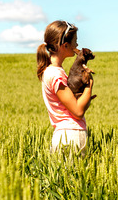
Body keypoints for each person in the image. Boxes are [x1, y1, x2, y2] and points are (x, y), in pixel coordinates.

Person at [36, 20, 94, 156]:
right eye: (75, 41)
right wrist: (89, 85)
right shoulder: (55, 74)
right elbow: (78, 111)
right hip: (71, 135)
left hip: (66, 135)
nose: (77, 45)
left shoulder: (54, 71)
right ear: (65, 45)